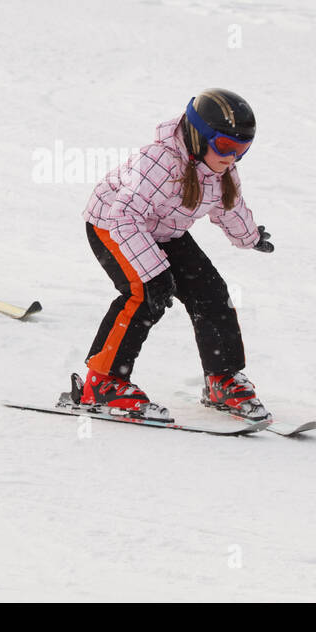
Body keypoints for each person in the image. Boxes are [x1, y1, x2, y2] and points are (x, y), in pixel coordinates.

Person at [73, 89, 275, 422]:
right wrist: (153, 273)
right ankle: (102, 382)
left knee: (211, 293)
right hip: (111, 225)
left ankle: (221, 378)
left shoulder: (222, 171)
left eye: (243, 150)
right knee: (144, 295)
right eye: (226, 146)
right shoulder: (159, 160)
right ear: (199, 136)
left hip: (164, 232)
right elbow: (123, 215)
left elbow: (229, 207)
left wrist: (249, 237)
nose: (233, 158)